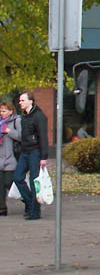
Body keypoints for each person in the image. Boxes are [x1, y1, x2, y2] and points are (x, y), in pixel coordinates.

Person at [14, 92, 48, 220]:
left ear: (30, 101)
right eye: (20, 100)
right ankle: (30, 203)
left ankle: (35, 211)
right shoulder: (24, 116)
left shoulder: (39, 116)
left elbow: (43, 137)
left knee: (35, 182)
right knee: (17, 178)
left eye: (22, 100)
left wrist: (44, 156)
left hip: (35, 152)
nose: (20, 102)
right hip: (25, 151)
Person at [0, 101, 22, 217]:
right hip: (0, 159)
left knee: (10, 183)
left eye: (4, 111)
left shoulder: (16, 121)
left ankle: (26, 199)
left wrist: (9, 131)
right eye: (1, 111)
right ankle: (2, 209)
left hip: (11, 158)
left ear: (11, 111)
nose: (1, 113)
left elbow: (21, 136)